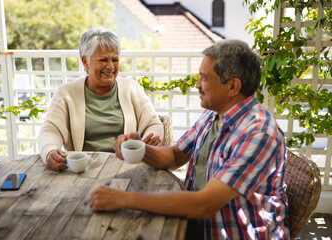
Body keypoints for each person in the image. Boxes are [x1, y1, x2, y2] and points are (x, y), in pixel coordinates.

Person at [88, 40, 290, 239]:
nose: (197, 85)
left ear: (232, 87)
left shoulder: (258, 134)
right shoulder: (215, 114)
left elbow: (203, 205)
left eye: (204, 78)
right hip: (197, 224)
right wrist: (137, 148)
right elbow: (175, 156)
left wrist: (122, 199)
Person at [37, 27, 163, 171]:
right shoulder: (66, 93)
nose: (110, 66)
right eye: (103, 60)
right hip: (84, 170)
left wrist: (147, 143)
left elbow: (153, 123)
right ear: (85, 62)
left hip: (127, 168)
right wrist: (50, 151)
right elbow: (50, 130)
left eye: (115, 59)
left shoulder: (132, 88)